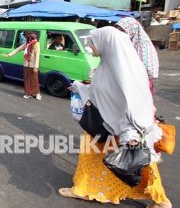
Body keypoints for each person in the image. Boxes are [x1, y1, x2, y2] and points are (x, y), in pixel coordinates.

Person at [59, 27, 170, 208]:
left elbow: (135, 103)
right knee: (98, 159)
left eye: (92, 43)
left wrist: (130, 134)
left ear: (106, 43)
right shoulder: (110, 64)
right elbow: (101, 93)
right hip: (106, 125)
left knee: (137, 162)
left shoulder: (125, 72)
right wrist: (79, 87)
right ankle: (85, 190)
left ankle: (161, 200)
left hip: (123, 130)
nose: (90, 47)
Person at [114, 17, 159, 96]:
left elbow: (148, 69)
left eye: (122, 31)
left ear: (131, 30)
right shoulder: (125, 42)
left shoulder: (143, 45)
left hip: (140, 84)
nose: (119, 34)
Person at [2, 32, 41, 100]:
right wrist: (8, 55)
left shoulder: (36, 44)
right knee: (27, 80)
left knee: (34, 80)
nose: (25, 37)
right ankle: (28, 93)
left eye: (26, 36)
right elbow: (17, 49)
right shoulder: (26, 44)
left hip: (33, 66)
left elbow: (37, 56)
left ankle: (37, 93)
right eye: (25, 36)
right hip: (26, 65)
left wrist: (36, 67)